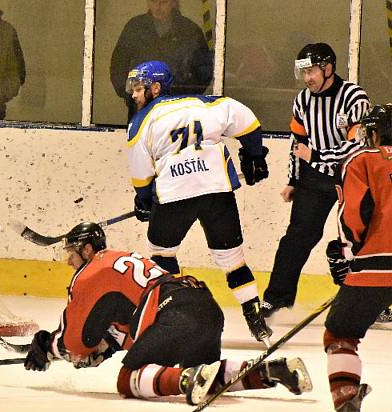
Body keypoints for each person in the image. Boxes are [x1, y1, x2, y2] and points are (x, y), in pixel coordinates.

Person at [22, 222, 312, 406]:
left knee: (128, 379)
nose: (68, 261)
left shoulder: (89, 273)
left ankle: (187, 379)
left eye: (71, 253)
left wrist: (47, 348)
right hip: (202, 305)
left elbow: (74, 341)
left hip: (171, 310)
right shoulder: (121, 261)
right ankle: (270, 371)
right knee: (210, 381)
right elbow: (125, 324)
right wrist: (105, 346)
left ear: (87, 249)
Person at [124, 60, 272, 342]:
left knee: (162, 255)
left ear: (156, 88)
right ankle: (256, 320)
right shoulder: (205, 103)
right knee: (232, 260)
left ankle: (176, 315)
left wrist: (144, 200)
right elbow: (247, 121)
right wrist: (255, 155)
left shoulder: (141, 123)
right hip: (217, 190)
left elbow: (142, 176)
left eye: (139, 88)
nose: (134, 94)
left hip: (175, 195)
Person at [261, 43, 371, 319]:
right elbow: (298, 144)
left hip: (353, 175)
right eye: (304, 72)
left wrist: (318, 154)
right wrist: (293, 180)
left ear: (328, 68)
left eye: (311, 71)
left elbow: (356, 146)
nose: (307, 78)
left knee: (362, 238)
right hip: (315, 177)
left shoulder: (354, 97)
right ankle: (276, 298)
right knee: (297, 236)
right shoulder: (302, 100)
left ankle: (376, 299)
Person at [321, 105, 392, 411]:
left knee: (340, 334)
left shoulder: (362, 160)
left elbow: (354, 213)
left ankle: (347, 397)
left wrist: (349, 253)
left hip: (374, 266)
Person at [110, 0, 212, 120]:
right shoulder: (134, 28)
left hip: (178, 112)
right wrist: (129, 94)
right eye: (153, 1)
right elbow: (118, 65)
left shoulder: (190, 31)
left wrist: (184, 98)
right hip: (141, 109)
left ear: (173, 3)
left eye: (163, 2)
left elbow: (203, 70)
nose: (158, 7)